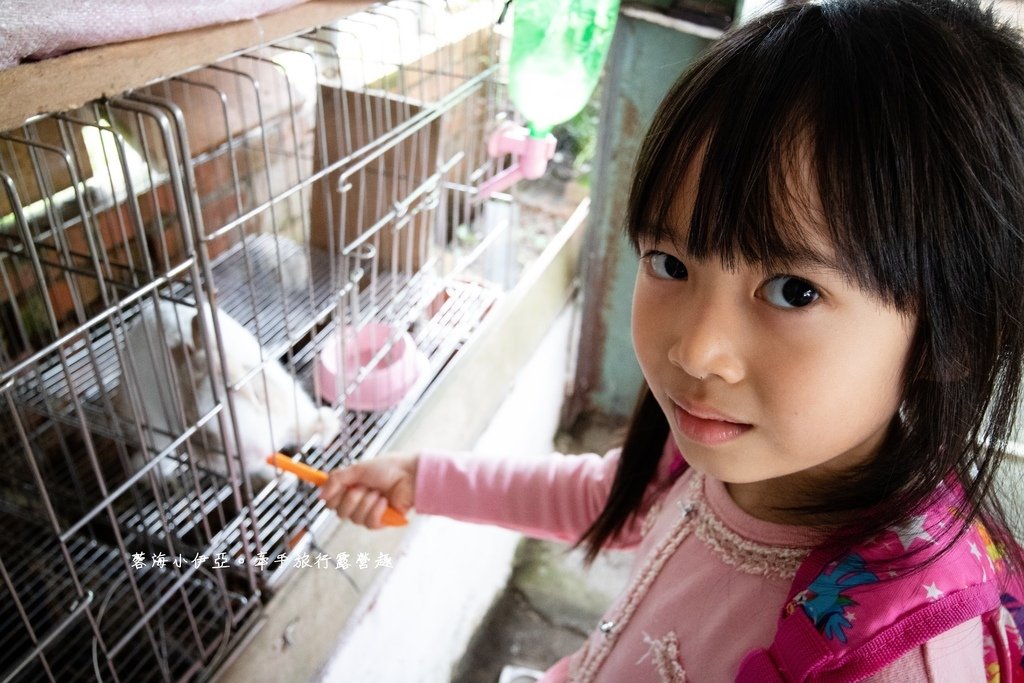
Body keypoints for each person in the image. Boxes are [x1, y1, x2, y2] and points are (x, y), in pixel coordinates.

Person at [320, 0, 1024, 679]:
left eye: (794, 291)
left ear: (953, 333)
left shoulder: (888, 655)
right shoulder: (716, 457)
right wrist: (424, 479)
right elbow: (609, 498)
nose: (694, 350)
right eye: (671, 263)